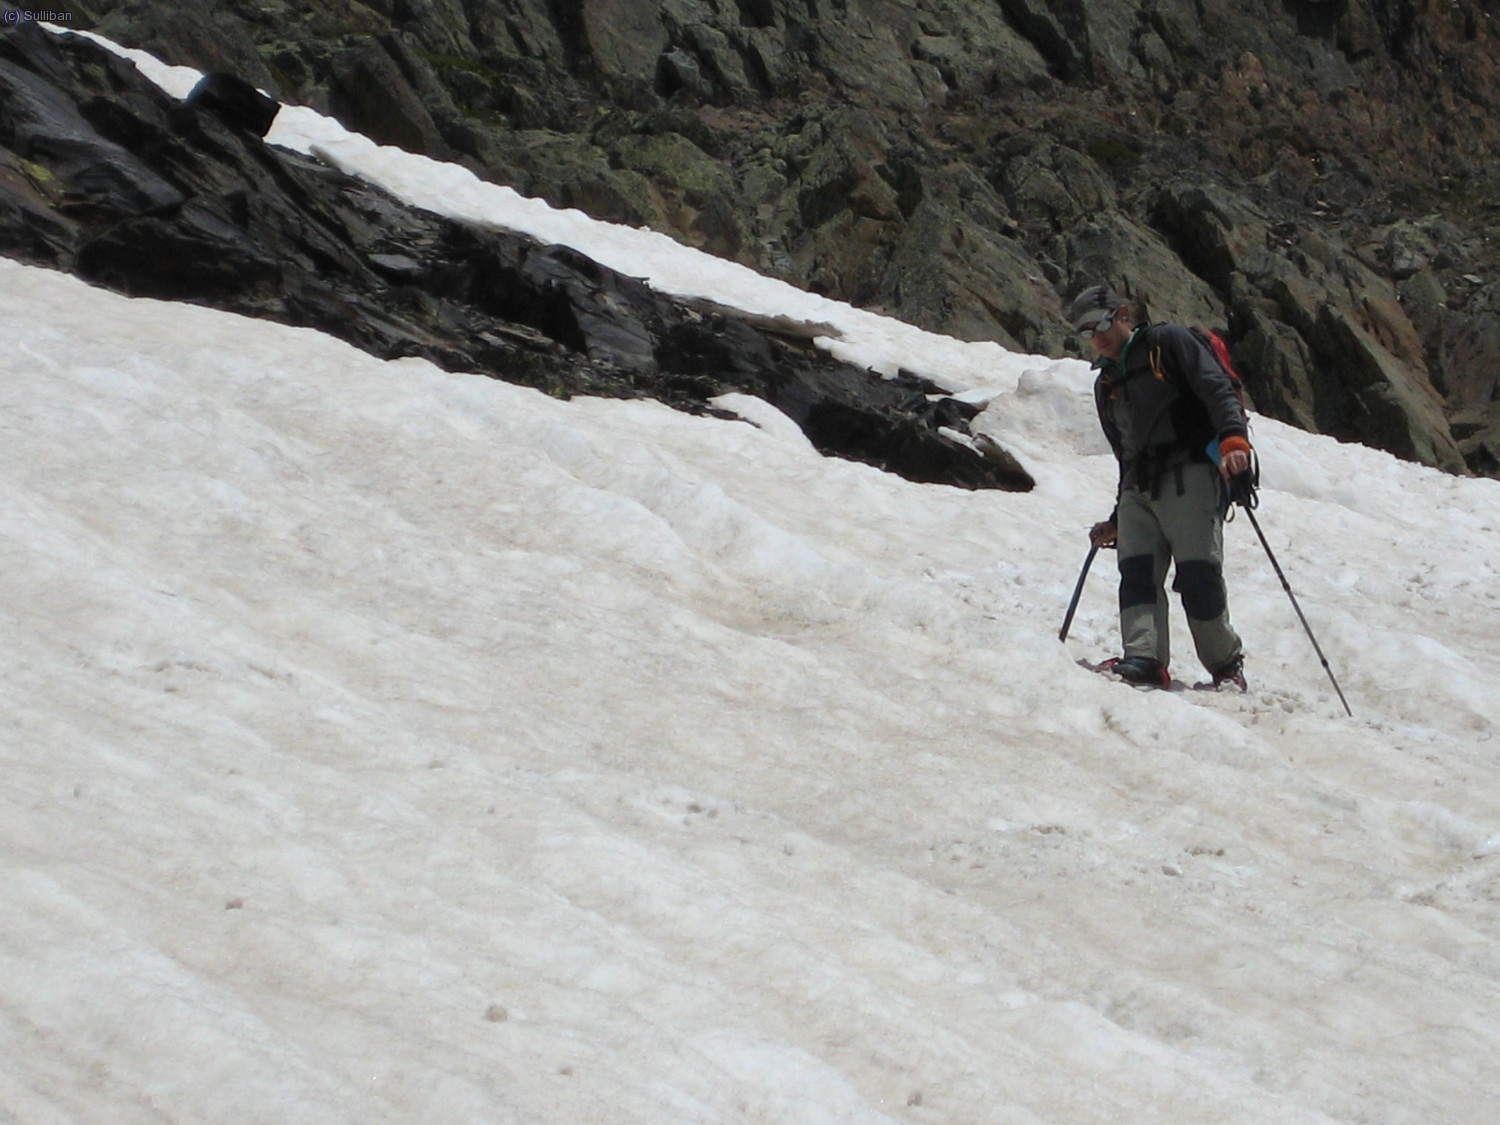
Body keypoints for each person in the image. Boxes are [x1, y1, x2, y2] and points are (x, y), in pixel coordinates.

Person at [1070, 283, 1252, 690]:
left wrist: (1233, 439)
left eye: (1100, 323)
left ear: (1121, 315)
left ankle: (1225, 665)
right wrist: (1118, 516)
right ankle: (1144, 659)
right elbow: (1125, 454)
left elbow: (1214, 386)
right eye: (1086, 331)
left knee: (1198, 574)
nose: (1096, 336)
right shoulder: (1106, 385)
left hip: (1190, 476)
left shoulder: (1165, 344)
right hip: (1138, 489)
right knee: (1136, 573)